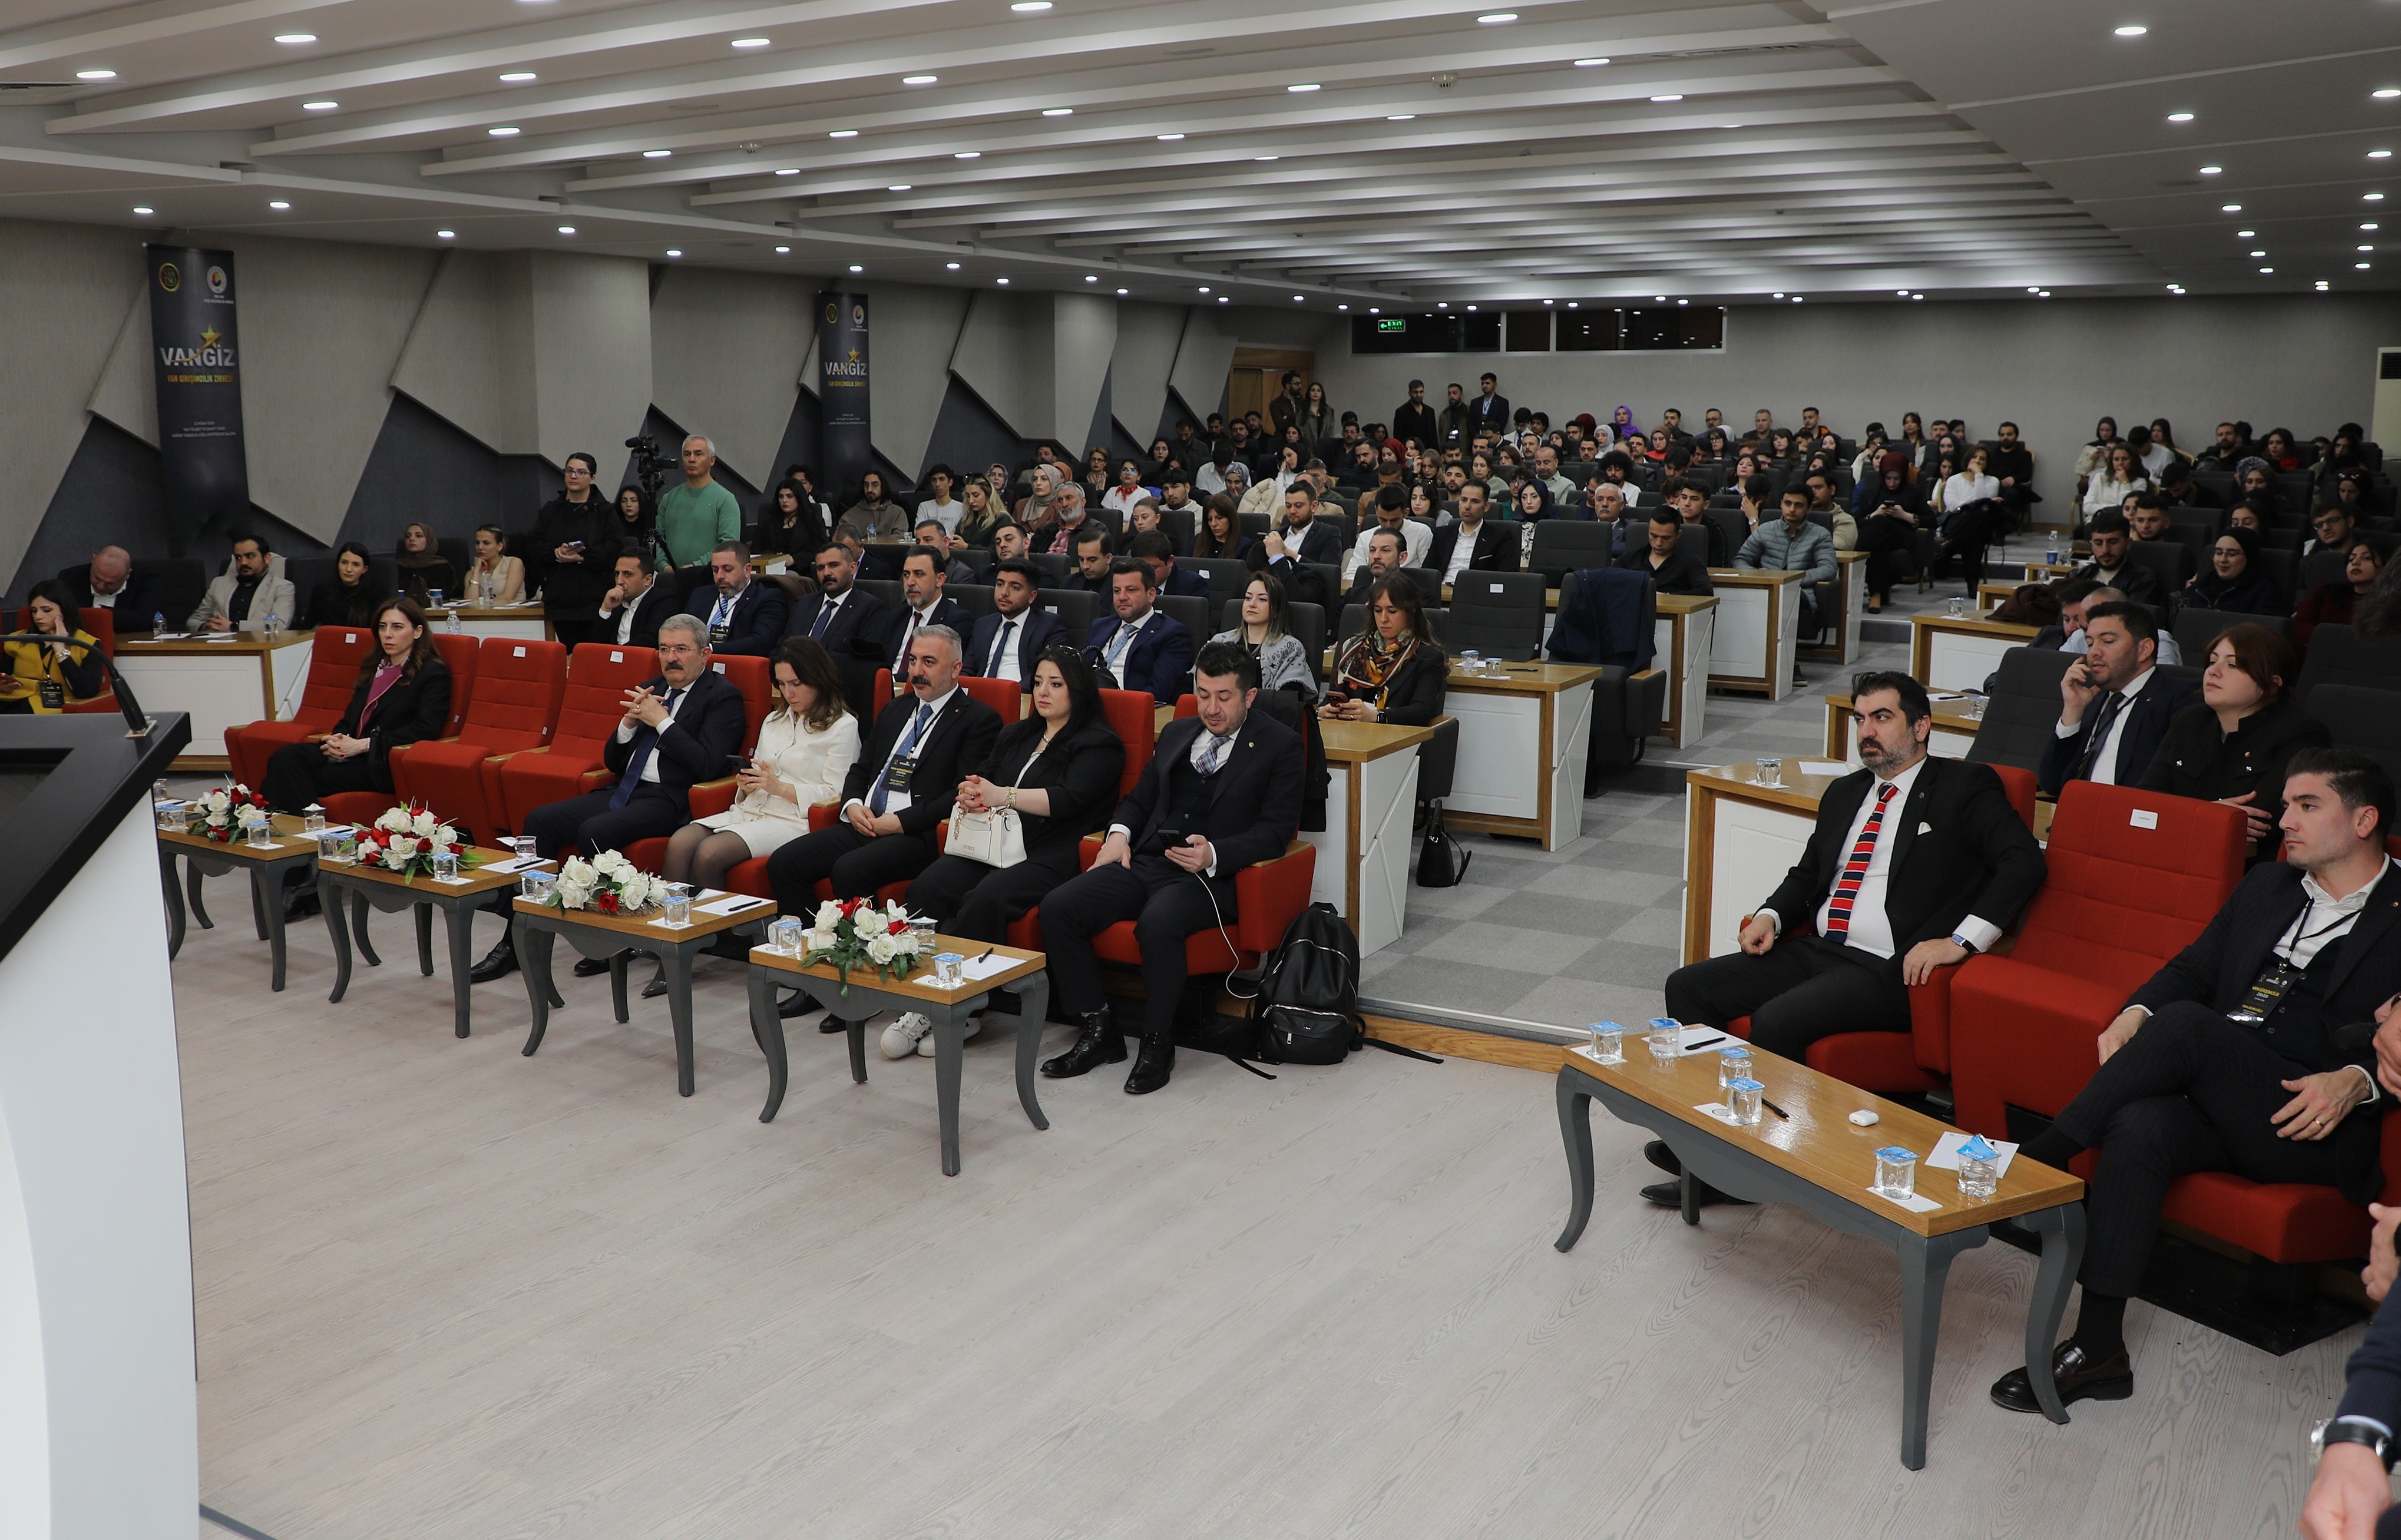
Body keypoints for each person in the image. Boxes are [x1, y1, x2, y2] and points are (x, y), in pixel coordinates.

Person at [1993, 750, 2401, 1416]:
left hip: (2309, 1122)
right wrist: (2134, 1011)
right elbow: (2191, 968)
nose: (2285, 820)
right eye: (2286, 805)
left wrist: (2358, 1080)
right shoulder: (2267, 885)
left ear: (2364, 820)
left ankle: (2035, 1160)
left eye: (2306, 806)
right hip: (2222, 1093)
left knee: (2185, 1025)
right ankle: (2098, 1348)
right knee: (2139, 1125)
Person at [1655, 673, 2046, 1206]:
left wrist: (1961, 940)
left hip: (1886, 969)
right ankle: (1700, 1140)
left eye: (1882, 717)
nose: (1867, 731)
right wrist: (1771, 915)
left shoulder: (1964, 785)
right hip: (1815, 949)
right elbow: (1808, 873)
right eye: (1861, 719)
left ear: (1922, 726)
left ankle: (1743, 1173)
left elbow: (2024, 863)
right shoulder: (1845, 792)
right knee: (1688, 987)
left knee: (1778, 1020)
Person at [1037, 642, 1304, 1095]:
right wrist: (1118, 834)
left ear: (1249, 696)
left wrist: (1214, 853)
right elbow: (1139, 800)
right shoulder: (1179, 732)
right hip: (1148, 862)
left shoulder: (1281, 744)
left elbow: (1275, 832)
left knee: (1159, 921)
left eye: (1224, 697)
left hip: (1211, 877)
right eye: (1203, 694)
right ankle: (1099, 1029)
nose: (1211, 708)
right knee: (1059, 907)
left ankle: (1158, 1042)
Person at [891, 647, 1127, 1056]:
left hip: (1051, 853)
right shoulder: (1018, 733)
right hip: (993, 842)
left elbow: (1069, 798)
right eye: (1039, 683)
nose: (1043, 692)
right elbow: (985, 779)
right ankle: (924, 995)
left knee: (986, 898)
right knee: (928, 887)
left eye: (1056, 684)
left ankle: (960, 1006)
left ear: (1079, 690)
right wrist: (972, 792)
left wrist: (1004, 795)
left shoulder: (1099, 744)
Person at [765, 626, 1003, 1024]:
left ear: (956, 668)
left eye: (929, 662)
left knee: (851, 869)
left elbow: (960, 793)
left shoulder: (979, 720)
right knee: (785, 863)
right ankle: (816, 977)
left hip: (919, 834)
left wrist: (901, 822)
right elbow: (861, 769)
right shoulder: (896, 709)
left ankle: (858, 985)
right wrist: (853, 804)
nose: (917, 671)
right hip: (865, 820)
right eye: (913, 660)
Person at [643, 637, 860, 998]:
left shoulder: (842, 726)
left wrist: (779, 787)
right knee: (681, 841)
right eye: (782, 684)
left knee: (710, 853)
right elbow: (759, 773)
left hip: (794, 821)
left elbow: (836, 793)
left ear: (819, 679)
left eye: (797, 684)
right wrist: (747, 783)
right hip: (751, 809)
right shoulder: (774, 719)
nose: (789, 693)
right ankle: (671, 946)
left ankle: (717, 943)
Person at [2140, 624, 2331, 855]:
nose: (2213, 671)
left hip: (2247, 864)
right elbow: (2143, 801)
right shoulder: (2189, 720)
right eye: (2212, 661)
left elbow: (2258, 825)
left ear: (2271, 684)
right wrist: (2206, 815)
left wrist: (2176, 816)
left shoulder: (2301, 733)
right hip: (2169, 848)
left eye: (2233, 665)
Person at [260, 597, 452, 815]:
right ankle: (297, 824)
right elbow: (349, 718)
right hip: (350, 751)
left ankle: (281, 822)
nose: (387, 634)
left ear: (417, 632)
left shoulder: (433, 673)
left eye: (397, 627)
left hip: (382, 759)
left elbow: (425, 729)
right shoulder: (375, 667)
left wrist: (364, 745)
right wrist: (337, 741)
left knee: (299, 776)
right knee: (285, 756)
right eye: (383, 627)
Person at [2039, 601, 2200, 796]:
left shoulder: (2180, 698)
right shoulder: (2091, 700)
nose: (2094, 652)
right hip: (2078, 807)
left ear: (2144, 649)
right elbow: (2051, 782)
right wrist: (2072, 711)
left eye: (2108, 641)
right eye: (2090, 643)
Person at [1322, 573, 1446, 724]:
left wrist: (1376, 716)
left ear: (1411, 611)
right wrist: (1323, 711)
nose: (1383, 619)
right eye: (1378, 610)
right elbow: (1330, 698)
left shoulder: (1428, 657)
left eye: (1392, 611)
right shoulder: (1353, 649)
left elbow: (1422, 711)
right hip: (1349, 732)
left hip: (1398, 736)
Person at [528, 452, 620, 647]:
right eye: (569, 471)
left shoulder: (605, 511)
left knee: (594, 654)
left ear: (592, 478)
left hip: (594, 598)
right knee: (569, 654)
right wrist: (555, 553)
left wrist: (581, 557)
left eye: (581, 472)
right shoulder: (551, 510)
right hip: (561, 598)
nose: (573, 476)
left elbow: (614, 551)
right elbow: (533, 546)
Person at [1086, 558, 1195, 701]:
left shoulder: (1173, 634)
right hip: (1084, 702)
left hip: (1126, 705)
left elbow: (1159, 691)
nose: (1122, 597)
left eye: (1131, 590)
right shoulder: (1100, 626)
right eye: (1117, 591)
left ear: (1151, 595)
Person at [1737, 488, 1838, 638]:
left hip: (1800, 591)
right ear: (1781, 504)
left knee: (1783, 598)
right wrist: (1757, 575)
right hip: (1765, 587)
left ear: (1809, 508)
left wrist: (1791, 580)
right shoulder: (1765, 530)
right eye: (1788, 503)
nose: (1792, 509)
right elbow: (1741, 560)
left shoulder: (1820, 534)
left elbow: (1828, 569)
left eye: (1798, 505)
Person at [2, 581, 107, 714]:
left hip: (52, 706)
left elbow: (87, 692)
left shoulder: (87, 644)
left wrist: (60, 649)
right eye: (34, 611)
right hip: (12, 699)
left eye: (47, 610)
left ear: (65, 610)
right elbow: (3, 674)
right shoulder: (16, 640)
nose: (38, 617)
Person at [962, 558, 1066, 689]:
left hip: (1021, 695)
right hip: (980, 695)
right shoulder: (982, 625)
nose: (1004, 593)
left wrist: (1009, 693)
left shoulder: (1049, 625)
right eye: (1000, 584)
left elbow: (1046, 673)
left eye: (1015, 588)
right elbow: (967, 669)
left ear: (1032, 596)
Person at [1213, 571, 1317, 703]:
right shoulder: (1220, 642)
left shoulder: (1290, 648)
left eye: (1262, 599)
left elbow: (1288, 699)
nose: (1252, 604)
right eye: (1248, 598)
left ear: (1276, 609)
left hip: (1265, 713)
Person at [783, 539, 891, 657]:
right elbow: (782, 646)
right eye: (820, 568)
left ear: (853, 568)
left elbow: (865, 661)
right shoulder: (805, 602)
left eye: (834, 565)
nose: (826, 573)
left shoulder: (870, 608)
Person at [880, 547, 970, 681]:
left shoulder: (957, 620)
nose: (910, 582)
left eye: (919, 574)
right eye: (906, 575)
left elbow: (939, 673)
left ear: (940, 579)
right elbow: (880, 661)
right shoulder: (896, 616)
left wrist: (890, 680)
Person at [656, 436, 743, 574]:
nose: (692, 459)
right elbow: (657, 539)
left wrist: (696, 566)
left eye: (698, 454)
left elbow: (728, 546)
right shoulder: (669, 499)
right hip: (671, 578)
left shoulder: (726, 500)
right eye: (687, 454)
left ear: (712, 460)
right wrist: (663, 565)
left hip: (710, 577)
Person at [1851, 454, 1926, 612]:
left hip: (1903, 536)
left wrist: (1904, 515)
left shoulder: (1914, 491)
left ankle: (1853, 563)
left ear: (1903, 476)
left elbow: (1931, 520)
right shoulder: (1873, 491)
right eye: (1888, 478)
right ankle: (1876, 594)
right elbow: (1857, 520)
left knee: (1880, 523)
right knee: (1881, 542)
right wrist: (1875, 513)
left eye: (1897, 479)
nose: (1892, 483)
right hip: (1879, 538)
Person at [693, 541, 787, 656]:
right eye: (715, 570)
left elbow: (761, 643)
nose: (719, 576)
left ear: (747, 570)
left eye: (727, 569)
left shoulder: (767, 598)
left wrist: (709, 650)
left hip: (735, 663)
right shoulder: (700, 595)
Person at [188, 534, 296, 632]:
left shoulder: (282, 587)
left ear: (267, 558)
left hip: (258, 644)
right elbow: (194, 621)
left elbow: (279, 625)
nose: (243, 562)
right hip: (218, 644)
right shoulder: (218, 584)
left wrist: (234, 627)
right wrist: (205, 627)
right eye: (238, 558)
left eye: (250, 556)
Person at [2294, 539, 2388, 651]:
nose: (2355, 562)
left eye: (2367, 558)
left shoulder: (2390, 603)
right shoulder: (2326, 591)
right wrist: (2331, 640)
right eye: (2351, 559)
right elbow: (2299, 625)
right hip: (2320, 650)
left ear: (2385, 567)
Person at [2182, 528, 2288, 617]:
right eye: (2218, 553)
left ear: (2249, 557)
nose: (2223, 560)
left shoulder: (2264, 592)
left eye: (2232, 554)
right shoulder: (2200, 587)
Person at [2070, 510, 2164, 607]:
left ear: (2128, 543)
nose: (2105, 550)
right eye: (2098, 543)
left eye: (2113, 542)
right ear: (2091, 545)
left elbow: (2133, 615)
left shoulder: (2144, 581)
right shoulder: (2078, 576)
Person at [1618, 508, 1714, 597]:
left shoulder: (1690, 562)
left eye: (1666, 538)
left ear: (1678, 535)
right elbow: (1610, 581)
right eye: (1654, 536)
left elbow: (1706, 592)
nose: (1659, 543)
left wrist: (1668, 596)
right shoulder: (1631, 558)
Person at [1430, 482, 1511, 583]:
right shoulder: (1442, 534)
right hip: (1442, 589)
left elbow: (1506, 579)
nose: (1467, 506)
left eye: (1475, 502)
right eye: (1464, 500)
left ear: (1486, 506)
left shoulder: (1500, 538)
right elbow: (1428, 573)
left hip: (1476, 590)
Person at [1343, 485, 1431, 578]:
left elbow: (1428, 575)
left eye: (1394, 520)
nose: (1388, 526)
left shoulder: (1422, 532)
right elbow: (1351, 574)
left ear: (1406, 513)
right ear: (1376, 511)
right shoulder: (1364, 537)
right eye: (1383, 520)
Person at [57, 545, 164, 620]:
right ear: (93, 560)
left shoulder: (147, 580)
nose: (101, 586)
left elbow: (144, 619)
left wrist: (97, 612)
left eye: (110, 583)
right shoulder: (69, 577)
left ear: (127, 575)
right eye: (97, 578)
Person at [596, 551, 674, 648]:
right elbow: (597, 645)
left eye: (628, 574)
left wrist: (618, 652)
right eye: (617, 574)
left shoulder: (664, 601)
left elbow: (651, 639)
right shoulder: (616, 602)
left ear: (648, 580)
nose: (619, 581)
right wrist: (606, 610)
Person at [301, 541, 386, 628]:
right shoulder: (321, 592)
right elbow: (307, 626)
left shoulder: (376, 595)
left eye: (356, 565)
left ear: (364, 569)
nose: (348, 569)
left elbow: (377, 630)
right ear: (338, 564)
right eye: (344, 563)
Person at [752, 476, 830, 561]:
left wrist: (794, 560)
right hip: (771, 566)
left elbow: (821, 551)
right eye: (781, 497)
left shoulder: (813, 521)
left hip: (800, 567)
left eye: (790, 496)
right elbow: (755, 551)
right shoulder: (767, 522)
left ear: (799, 497)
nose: (784, 501)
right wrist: (774, 558)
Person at [2082, 442, 2151, 526]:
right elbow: (2087, 507)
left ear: (2133, 461)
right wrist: (2114, 509)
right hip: (2097, 520)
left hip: (2124, 524)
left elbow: (2128, 510)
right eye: (2116, 459)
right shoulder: (2100, 477)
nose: (2120, 463)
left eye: (2125, 459)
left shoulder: (2140, 482)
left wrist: (2125, 483)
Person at [836, 469, 910, 545]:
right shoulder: (850, 515)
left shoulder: (897, 513)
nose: (870, 489)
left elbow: (900, 538)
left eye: (875, 485)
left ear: (883, 487)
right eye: (866, 485)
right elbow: (841, 539)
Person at [1341, 528, 1409, 610]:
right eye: (1372, 550)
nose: (1376, 556)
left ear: (1402, 557)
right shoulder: (1353, 595)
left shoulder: (1414, 597)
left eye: (1385, 550)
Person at [1130, 529, 1209, 599]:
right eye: (1141, 568)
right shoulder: (1128, 583)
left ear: (1170, 561)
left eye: (1153, 568)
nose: (1147, 575)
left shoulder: (1193, 586)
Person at [391, 523, 454, 608]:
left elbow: (445, 597)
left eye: (419, 536)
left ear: (429, 540)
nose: (411, 539)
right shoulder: (397, 566)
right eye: (408, 536)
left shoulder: (441, 566)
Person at [464, 525, 525, 607]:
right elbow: (469, 603)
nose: (480, 547)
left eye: (486, 543)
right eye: (477, 543)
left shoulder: (513, 563)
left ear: (500, 546)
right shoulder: (471, 573)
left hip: (513, 612)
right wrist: (476, 571)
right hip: (483, 614)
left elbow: (507, 598)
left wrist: (481, 605)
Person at [612, 485, 660, 571]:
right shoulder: (614, 524)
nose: (628, 505)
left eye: (634, 500)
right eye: (624, 501)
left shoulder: (649, 525)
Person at [913, 520, 975, 585]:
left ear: (945, 542)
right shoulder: (912, 571)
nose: (921, 545)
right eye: (918, 542)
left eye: (928, 540)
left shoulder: (963, 575)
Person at [914, 463, 965, 536]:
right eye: (934, 480)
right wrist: (949, 533)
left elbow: (960, 534)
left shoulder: (961, 508)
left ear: (950, 482)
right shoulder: (924, 506)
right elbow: (918, 532)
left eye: (942, 479)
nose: (937, 484)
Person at [952, 477, 1004, 548]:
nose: (971, 501)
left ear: (988, 495)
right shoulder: (966, 520)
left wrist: (967, 547)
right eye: (968, 496)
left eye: (976, 495)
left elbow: (996, 551)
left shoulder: (1001, 519)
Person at [1192, 496, 1249, 560]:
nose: (1214, 524)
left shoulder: (1244, 546)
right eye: (1210, 519)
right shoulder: (1198, 540)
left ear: (1231, 519)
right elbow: (1184, 563)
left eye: (1219, 518)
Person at [1067, 525, 1116, 593]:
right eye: (1081, 559)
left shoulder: (1120, 585)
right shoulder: (1069, 582)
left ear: (1108, 558)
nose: (1085, 566)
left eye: (1092, 560)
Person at [1393, 379, 1437, 448]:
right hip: (1409, 450)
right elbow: (1398, 438)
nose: (1419, 395)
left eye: (1421, 392)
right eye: (1415, 392)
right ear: (1409, 393)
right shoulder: (1401, 412)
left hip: (1428, 451)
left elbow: (1434, 437)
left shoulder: (1430, 411)